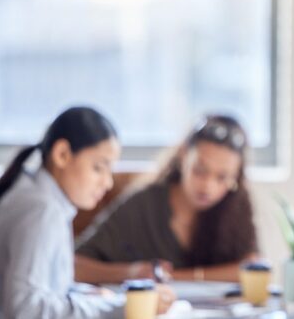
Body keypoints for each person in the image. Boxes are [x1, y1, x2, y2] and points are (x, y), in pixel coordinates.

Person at [0, 106, 174, 318]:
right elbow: (26, 310)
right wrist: (120, 308)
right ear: (62, 155)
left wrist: (91, 297)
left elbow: (46, 290)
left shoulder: (42, 198)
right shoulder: (40, 209)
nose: (107, 182)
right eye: (98, 167)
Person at [75, 114, 258, 283]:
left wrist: (174, 277)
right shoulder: (144, 206)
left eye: (222, 177)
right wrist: (131, 273)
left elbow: (255, 268)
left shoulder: (236, 205)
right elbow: (74, 265)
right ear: (184, 155)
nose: (208, 187)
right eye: (200, 171)